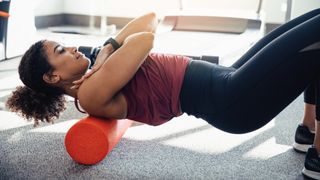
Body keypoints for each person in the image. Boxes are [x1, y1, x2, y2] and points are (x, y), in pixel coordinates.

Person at [5, 9, 320, 179]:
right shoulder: (91, 92)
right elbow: (144, 39)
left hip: (228, 78)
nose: (72, 47)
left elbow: (150, 17)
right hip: (232, 99)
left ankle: (307, 131)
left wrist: (108, 48)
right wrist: (105, 55)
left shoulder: (94, 72)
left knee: (311, 20)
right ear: (53, 76)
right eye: (61, 50)